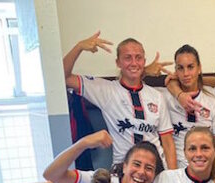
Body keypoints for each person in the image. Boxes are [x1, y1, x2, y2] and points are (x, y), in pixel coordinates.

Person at [63, 32, 177, 168]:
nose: (134, 63)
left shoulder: (157, 96)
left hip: (155, 168)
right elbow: (64, 77)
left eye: (138, 58)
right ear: (118, 62)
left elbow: (168, 142)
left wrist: (171, 176)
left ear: (144, 61)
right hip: (122, 170)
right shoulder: (106, 90)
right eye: (128, 58)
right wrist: (79, 47)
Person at [161, 45, 215, 168]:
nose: (185, 73)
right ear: (175, 71)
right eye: (180, 68)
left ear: (199, 68)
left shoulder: (212, 101)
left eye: (190, 67)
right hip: (177, 169)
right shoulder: (164, 99)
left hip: (206, 169)